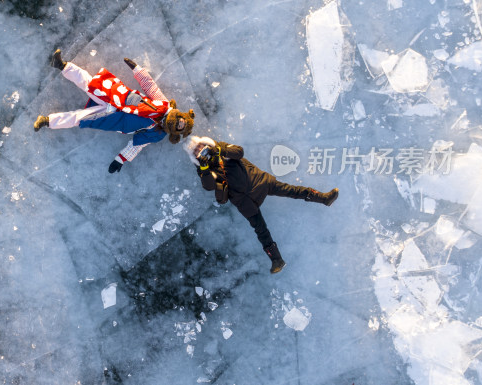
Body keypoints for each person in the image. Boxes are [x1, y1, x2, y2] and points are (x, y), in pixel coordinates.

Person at [184, 136, 338, 274]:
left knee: (293, 191)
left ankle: (324, 198)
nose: (200, 151)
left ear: (205, 143)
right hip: (245, 201)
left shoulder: (221, 148)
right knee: (261, 230)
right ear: (195, 158)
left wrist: (219, 150)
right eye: (196, 152)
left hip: (260, 183)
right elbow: (209, 186)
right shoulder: (204, 170)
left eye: (199, 146)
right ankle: (277, 260)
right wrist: (204, 168)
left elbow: (239, 152)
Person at [34, 49, 195, 173]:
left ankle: (47, 121)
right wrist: (137, 69)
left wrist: (120, 159)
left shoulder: (158, 133)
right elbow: (150, 86)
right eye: (182, 120)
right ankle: (62, 65)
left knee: (81, 118)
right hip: (118, 97)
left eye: (180, 126)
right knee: (90, 83)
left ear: (176, 132)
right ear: (182, 114)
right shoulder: (165, 104)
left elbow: (137, 145)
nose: (180, 122)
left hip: (114, 118)